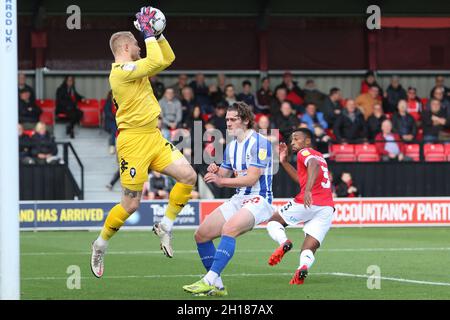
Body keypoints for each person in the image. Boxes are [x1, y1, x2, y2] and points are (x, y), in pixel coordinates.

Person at [90, 8, 197, 279]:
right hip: (133, 141)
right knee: (130, 204)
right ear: (126, 47)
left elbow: (166, 58)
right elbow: (151, 63)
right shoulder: (120, 72)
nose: (140, 45)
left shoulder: (134, 69)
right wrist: (149, 34)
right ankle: (100, 244)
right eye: (137, 43)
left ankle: (166, 225)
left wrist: (157, 35)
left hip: (153, 136)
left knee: (188, 176)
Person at [182, 102, 273, 296]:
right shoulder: (232, 146)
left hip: (260, 199)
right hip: (240, 198)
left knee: (229, 229)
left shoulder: (260, 142)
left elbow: (252, 177)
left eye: (233, 119)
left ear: (246, 120)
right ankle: (218, 286)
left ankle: (208, 280)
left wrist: (221, 181)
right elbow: (224, 172)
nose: (229, 123)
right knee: (201, 235)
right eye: (227, 120)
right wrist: (215, 171)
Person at [265, 128, 334, 285]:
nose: (292, 142)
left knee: (274, 221)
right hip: (327, 207)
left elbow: (313, 165)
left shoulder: (305, 153)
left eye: (296, 139)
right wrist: (284, 162)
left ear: (307, 141)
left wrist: (308, 190)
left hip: (309, 201)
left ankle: (284, 242)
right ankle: (302, 267)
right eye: (291, 140)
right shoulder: (319, 155)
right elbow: (302, 179)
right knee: (309, 247)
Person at [103, 90, 117, 155]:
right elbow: (107, 113)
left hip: (118, 121)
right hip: (110, 121)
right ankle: (112, 145)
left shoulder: (119, 103)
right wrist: (115, 117)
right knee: (114, 128)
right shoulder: (108, 103)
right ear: (110, 96)